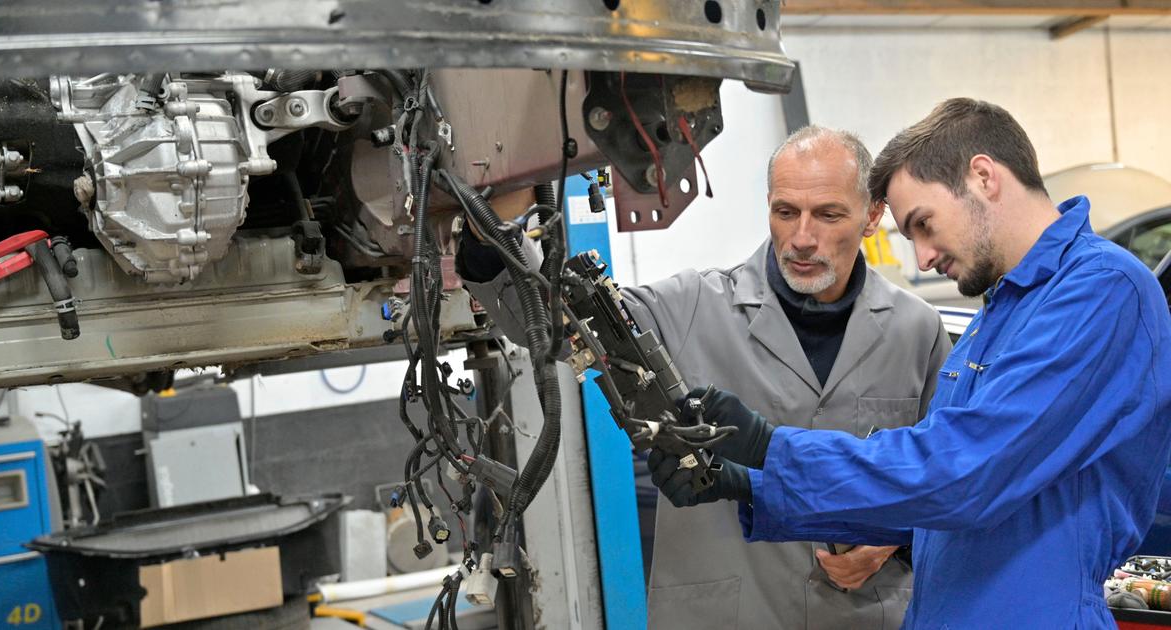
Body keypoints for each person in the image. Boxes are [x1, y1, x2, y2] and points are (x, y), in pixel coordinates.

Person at [651, 98, 1171, 628]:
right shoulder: (996, 316)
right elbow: (926, 502)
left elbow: (963, 471)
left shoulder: (1103, 291)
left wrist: (770, 447)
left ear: (984, 177)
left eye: (924, 223)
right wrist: (746, 483)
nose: (922, 258)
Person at [456, 126, 951, 629]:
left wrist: (892, 539)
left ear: (871, 216)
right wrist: (487, 239)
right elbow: (563, 326)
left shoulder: (917, 332)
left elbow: (952, 481)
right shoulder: (692, 306)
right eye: (785, 213)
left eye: (828, 214)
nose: (803, 238)